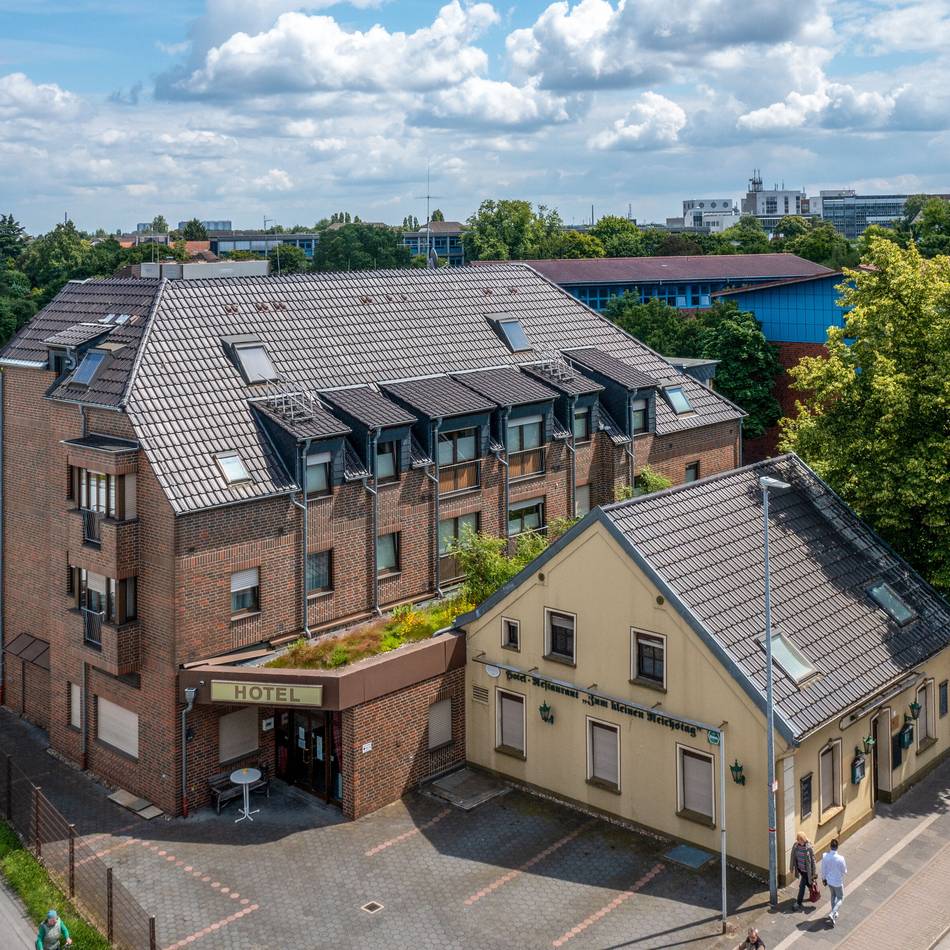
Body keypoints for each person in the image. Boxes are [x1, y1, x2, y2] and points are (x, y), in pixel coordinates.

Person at [821, 838, 848, 927]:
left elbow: (823, 869)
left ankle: (834, 913)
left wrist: (823, 879)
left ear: (830, 846)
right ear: (837, 847)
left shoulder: (825, 856)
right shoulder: (841, 858)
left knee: (833, 896)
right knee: (840, 898)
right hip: (837, 882)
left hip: (829, 881)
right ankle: (832, 913)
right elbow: (844, 870)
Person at [789, 831, 817, 910]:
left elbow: (813, 861)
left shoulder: (809, 848)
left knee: (801, 886)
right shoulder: (795, 846)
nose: (799, 841)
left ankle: (798, 902)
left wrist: (814, 873)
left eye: (800, 840)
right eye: (798, 840)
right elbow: (792, 857)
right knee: (809, 883)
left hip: (807, 871)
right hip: (801, 870)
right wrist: (791, 868)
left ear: (803, 839)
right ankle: (812, 890)